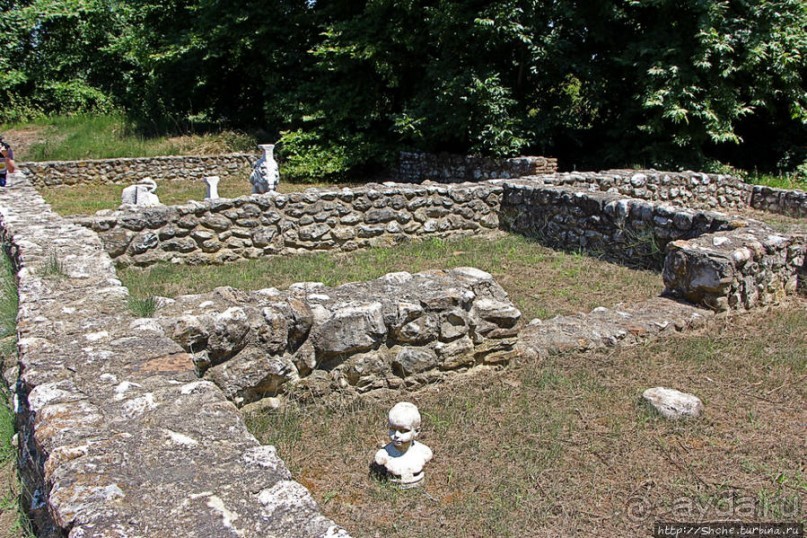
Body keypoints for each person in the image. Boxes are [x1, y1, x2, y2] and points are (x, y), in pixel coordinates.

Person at [372, 402, 433, 488]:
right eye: (393, 429)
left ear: (416, 431)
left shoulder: (424, 452)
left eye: (403, 431)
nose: (396, 435)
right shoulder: (383, 455)